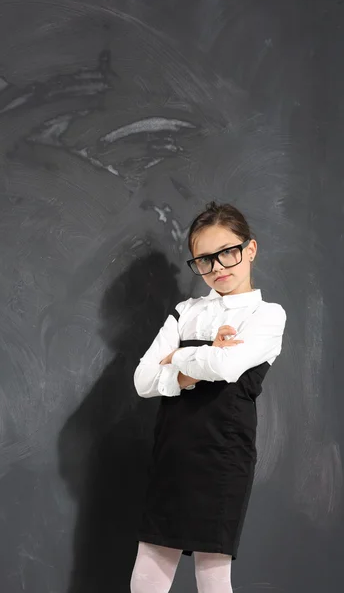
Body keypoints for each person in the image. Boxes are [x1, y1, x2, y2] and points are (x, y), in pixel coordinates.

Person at [130, 201, 287, 593]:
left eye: (227, 253)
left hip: (223, 454)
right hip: (173, 449)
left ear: (249, 249)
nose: (217, 268)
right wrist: (204, 358)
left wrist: (179, 357)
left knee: (213, 578)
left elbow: (228, 368)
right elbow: (143, 380)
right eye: (204, 260)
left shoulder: (267, 315)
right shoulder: (186, 311)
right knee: (147, 575)